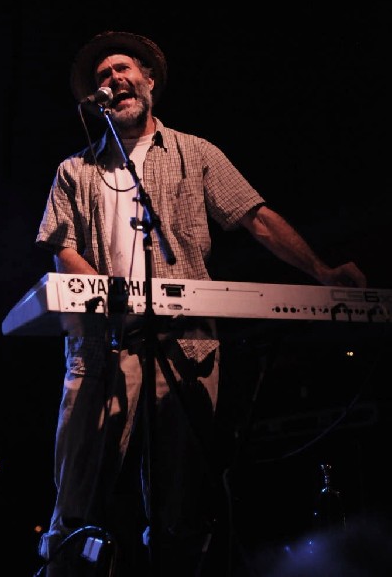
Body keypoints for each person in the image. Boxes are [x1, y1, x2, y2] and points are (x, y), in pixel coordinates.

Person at [35, 30, 367, 577]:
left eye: (121, 69)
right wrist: (110, 300)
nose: (112, 80)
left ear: (148, 81)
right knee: (76, 500)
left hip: (185, 345)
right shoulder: (75, 171)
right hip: (101, 349)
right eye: (101, 77)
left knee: (183, 503)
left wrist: (323, 272)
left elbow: (255, 217)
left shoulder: (196, 152)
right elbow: (62, 250)